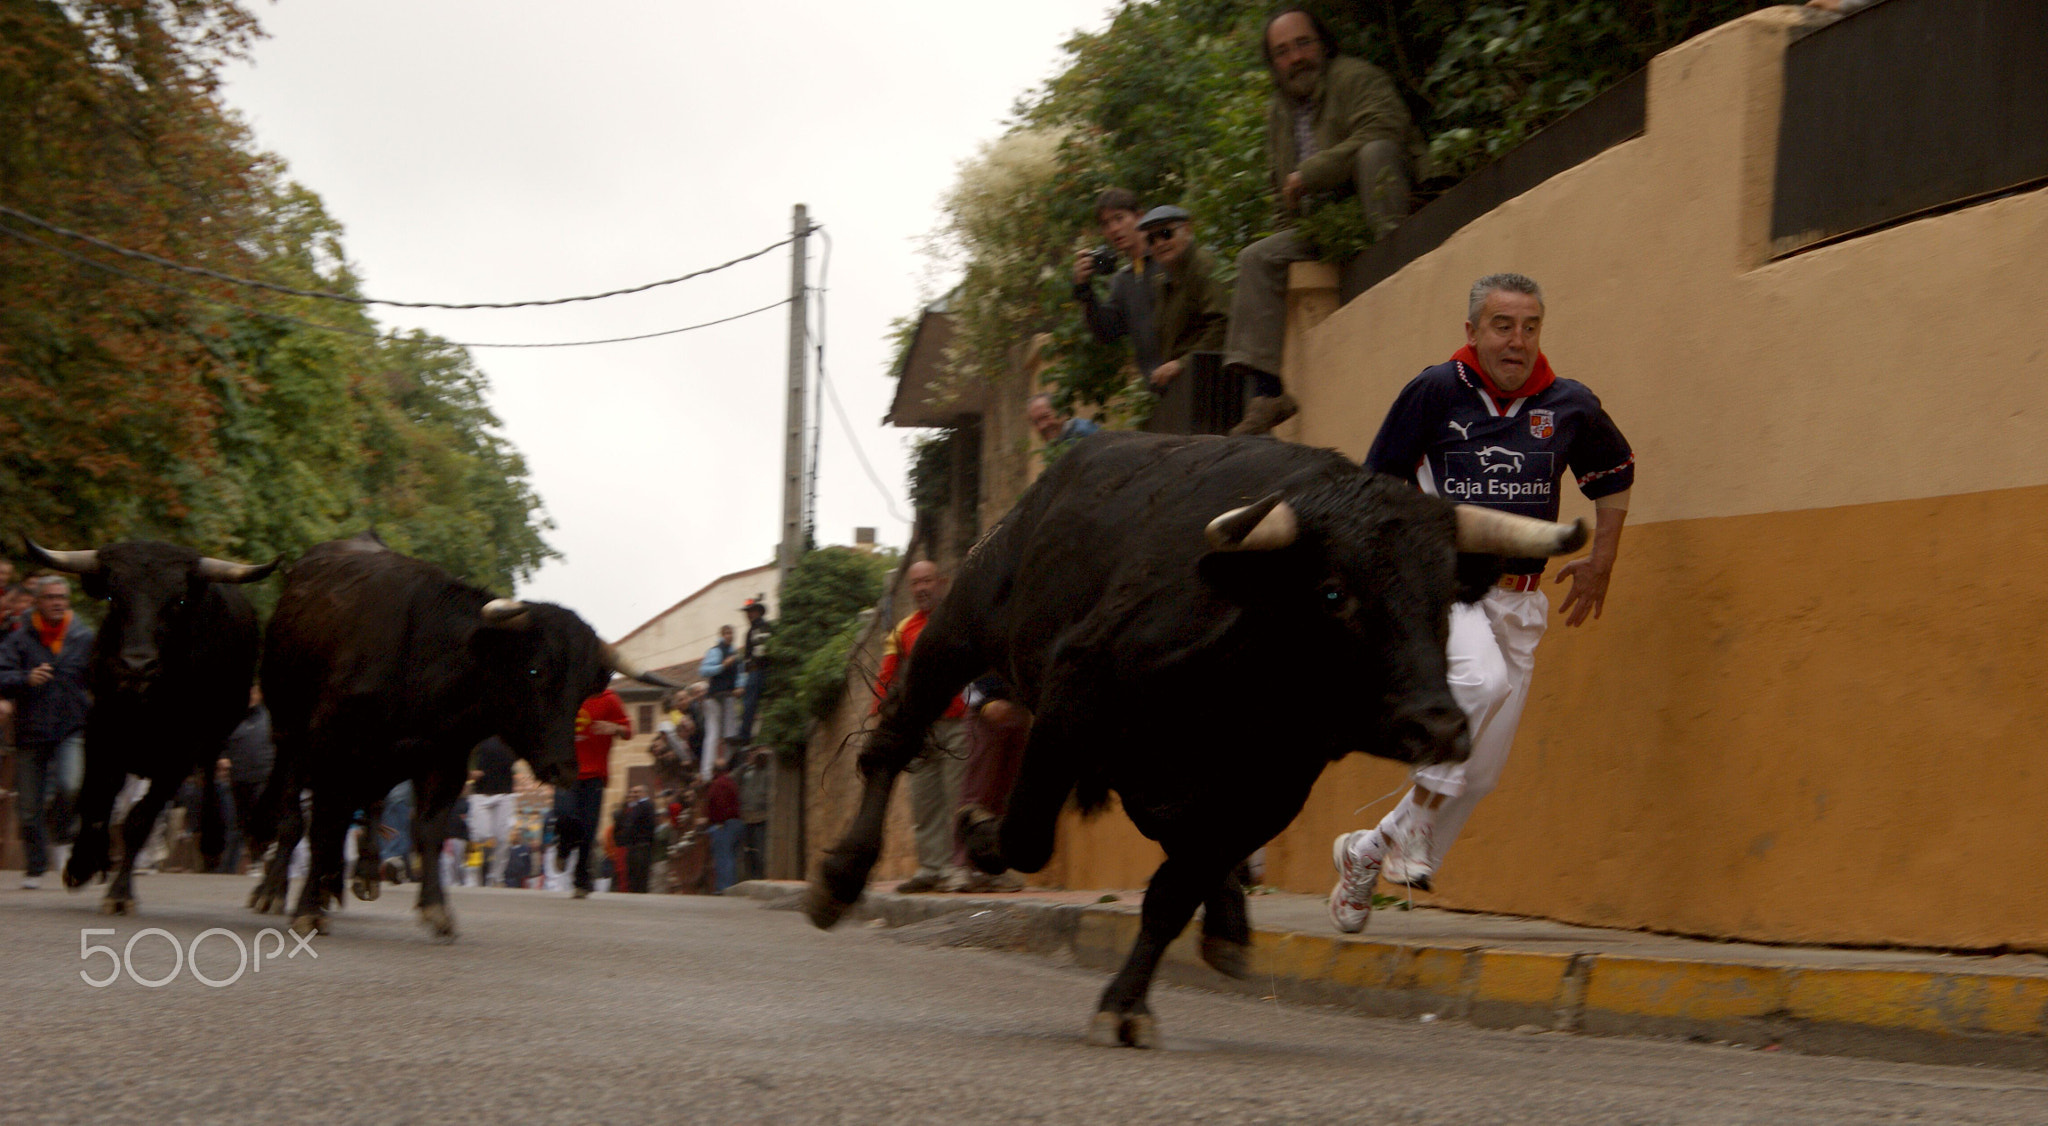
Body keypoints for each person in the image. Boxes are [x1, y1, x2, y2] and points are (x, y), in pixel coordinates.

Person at [1329, 272, 1635, 933]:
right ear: (1472, 332)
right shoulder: (1435, 392)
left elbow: (1613, 473)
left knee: (1483, 773)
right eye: (1503, 326)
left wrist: (1603, 560)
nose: (1517, 340)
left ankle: (1366, 850)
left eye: (1529, 327)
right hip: (1445, 586)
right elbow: (1376, 486)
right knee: (1478, 679)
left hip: (1522, 603)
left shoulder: (1569, 404)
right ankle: (1413, 825)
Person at [1224, 7, 1423, 436]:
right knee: (1256, 258)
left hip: (1378, 203)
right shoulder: (1279, 112)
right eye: (1282, 52)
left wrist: (1311, 174)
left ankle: (1396, 268)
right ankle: (1267, 393)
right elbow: (1282, 189)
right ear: (1273, 64)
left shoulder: (1356, 77)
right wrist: (1289, 215)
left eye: (1302, 44)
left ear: (1323, 45)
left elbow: (1383, 129)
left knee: (1376, 152)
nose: (1295, 58)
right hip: (1325, 225)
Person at [873, 560, 970, 893]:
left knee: (957, 799)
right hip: (919, 729)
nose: (921, 588)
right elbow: (888, 674)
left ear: (940, 582)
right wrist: (882, 711)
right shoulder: (903, 630)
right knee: (924, 801)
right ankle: (931, 867)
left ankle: (958, 869)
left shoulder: (960, 620)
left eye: (927, 581)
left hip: (956, 723)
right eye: (915, 584)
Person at [0, 575, 92, 888]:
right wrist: (26, 678)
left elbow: (100, 677)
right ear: (38, 601)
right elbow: (2, 675)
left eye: (62, 597)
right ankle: (36, 868)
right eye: (51, 597)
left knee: (70, 785)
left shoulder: (82, 636)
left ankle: (63, 831)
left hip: (71, 726)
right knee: (28, 806)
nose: (57, 602)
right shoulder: (20, 637)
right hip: (30, 730)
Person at [1135, 205, 1229, 393]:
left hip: (1215, 380)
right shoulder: (1163, 279)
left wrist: (1181, 364)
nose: (1159, 244)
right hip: (1187, 383)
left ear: (1186, 230)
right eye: (1151, 239)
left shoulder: (1204, 266)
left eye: (1166, 233)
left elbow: (1222, 324)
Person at [952, 675, 1029, 894]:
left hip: (1018, 708)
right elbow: (960, 670)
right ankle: (963, 865)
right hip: (984, 712)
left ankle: (996, 867)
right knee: (977, 792)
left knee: (1006, 794)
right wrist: (982, 702)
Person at [1071, 188, 1159, 377]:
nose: (1113, 229)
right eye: (1106, 224)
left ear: (1139, 217)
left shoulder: (1167, 260)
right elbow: (1106, 332)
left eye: (1119, 218)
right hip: (1159, 386)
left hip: (1191, 372)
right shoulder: (1123, 280)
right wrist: (1084, 289)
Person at [558, 685, 629, 898]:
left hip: (595, 775)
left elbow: (628, 730)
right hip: (568, 772)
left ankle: (581, 880)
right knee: (565, 815)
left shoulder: (609, 699)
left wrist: (613, 728)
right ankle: (563, 849)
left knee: (589, 830)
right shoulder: (568, 695)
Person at [467, 736, 518, 886]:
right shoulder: (480, 737)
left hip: (505, 794)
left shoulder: (512, 737)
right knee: (479, 835)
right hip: (480, 794)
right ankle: (472, 873)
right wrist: (471, 772)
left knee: (503, 838)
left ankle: (496, 877)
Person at [698, 625, 742, 780]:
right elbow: (704, 670)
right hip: (715, 697)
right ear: (722, 635)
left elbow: (740, 674)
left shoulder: (735, 655)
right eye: (727, 633)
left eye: (731, 633)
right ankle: (707, 772)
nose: (729, 635)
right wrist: (722, 665)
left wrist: (739, 686)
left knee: (729, 734)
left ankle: (723, 768)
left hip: (728, 697)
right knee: (713, 733)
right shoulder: (716, 651)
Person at [704, 749, 742, 893]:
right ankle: (731, 887)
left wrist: (718, 822)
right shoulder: (730, 782)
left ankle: (725, 888)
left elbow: (719, 805)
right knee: (730, 857)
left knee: (723, 857)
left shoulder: (718, 784)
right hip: (736, 822)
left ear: (715, 770)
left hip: (724, 825)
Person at [737, 597, 773, 742]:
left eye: (751, 611)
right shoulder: (752, 629)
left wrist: (752, 662)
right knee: (748, 703)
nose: (748, 614)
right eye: (747, 612)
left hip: (758, 670)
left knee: (750, 703)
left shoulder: (761, 627)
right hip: (753, 671)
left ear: (758, 612)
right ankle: (746, 733)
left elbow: (761, 649)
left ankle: (744, 735)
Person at [736, 745, 773, 882]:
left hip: (761, 816)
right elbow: (734, 780)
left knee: (760, 848)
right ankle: (752, 875)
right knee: (749, 849)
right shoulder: (746, 772)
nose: (753, 756)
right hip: (747, 816)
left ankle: (760, 874)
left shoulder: (767, 771)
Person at [612, 784, 656, 893]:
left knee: (638, 874)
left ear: (644, 793)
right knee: (634, 874)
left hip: (639, 845)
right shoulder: (641, 806)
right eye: (633, 792)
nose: (635, 795)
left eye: (637, 792)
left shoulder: (644, 805)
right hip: (637, 845)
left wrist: (623, 838)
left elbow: (631, 824)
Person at [1025, 393, 1102, 452]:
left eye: (1046, 417)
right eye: (1036, 422)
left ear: (1061, 412)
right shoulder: (1055, 444)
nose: (1042, 426)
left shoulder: (1084, 433)